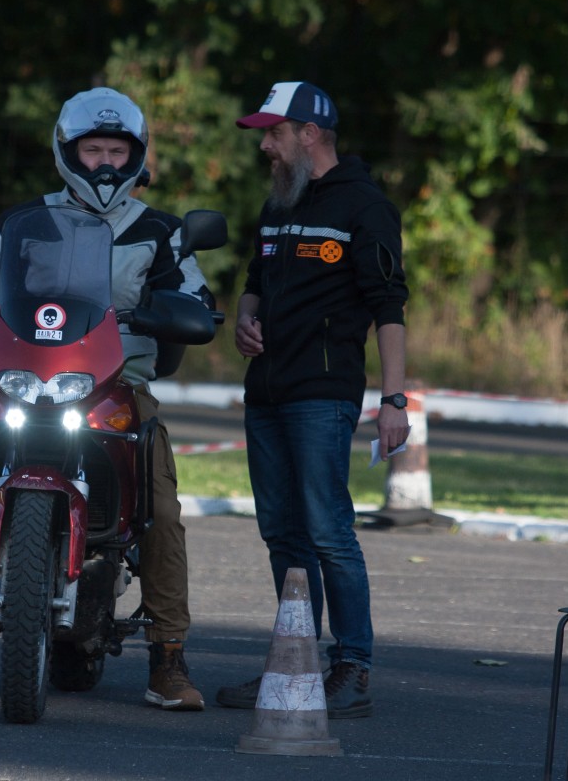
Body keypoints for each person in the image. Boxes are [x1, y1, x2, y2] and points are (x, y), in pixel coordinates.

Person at [0, 87, 215, 711]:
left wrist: (185, 311)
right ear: (67, 152)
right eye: (94, 150)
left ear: (138, 155)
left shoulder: (160, 232)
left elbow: (196, 300)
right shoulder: (21, 225)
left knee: (161, 510)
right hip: (18, 383)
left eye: (118, 151)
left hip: (116, 389)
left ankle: (168, 658)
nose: (106, 163)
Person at [214, 81, 410, 719]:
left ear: (309, 133)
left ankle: (353, 666)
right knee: (281, 533)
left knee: (328, 531)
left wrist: (394, 400)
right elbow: (253, 281)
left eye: (273, 133)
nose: (264, 146)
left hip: (322, 395)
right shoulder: (278, 204)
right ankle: (293, 663)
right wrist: (245, 319)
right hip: (265, 393)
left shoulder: (365, 206)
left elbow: (389, 307)